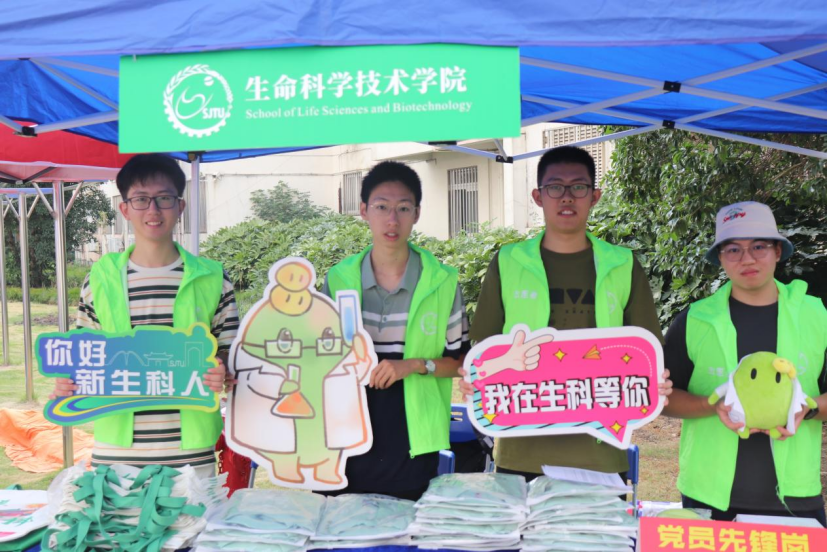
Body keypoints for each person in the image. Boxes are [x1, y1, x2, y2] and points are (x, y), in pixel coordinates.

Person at [462, 146, 671, 481]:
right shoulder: (508, 262)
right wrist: (477, 377)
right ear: (538, 197)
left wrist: (656, 380)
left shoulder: (623, 264)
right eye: (555, 187)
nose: (567, 197)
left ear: (595, 196)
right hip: (522, 447)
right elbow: (484, 348)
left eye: (579, 187)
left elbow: (647, 351)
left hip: (601, 451)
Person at [51, 154, 239, 478]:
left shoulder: (213, 278)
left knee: (195, 514)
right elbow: (84, 354)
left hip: (191, 452)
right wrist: (68, 381)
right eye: (140, 199)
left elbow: (231, 354)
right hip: (116, 450)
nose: (153, 210)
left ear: (180, 206)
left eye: (164, 198)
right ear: (125, 209)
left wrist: (221, 368)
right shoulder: (100, 279)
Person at [663, 201, 826, 525]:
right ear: (720, 257)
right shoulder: (694, 321)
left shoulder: (817, 316)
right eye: (733, 249)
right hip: (707, 494)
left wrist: (806, 409)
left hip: (796, 496)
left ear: (777, 251)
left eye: (759, 246)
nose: (747, 258)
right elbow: (665, 399)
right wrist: (712, 405)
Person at [322, 160, 470, 500]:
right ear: (363, 211)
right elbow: (320, 355)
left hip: (412, 442)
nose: (392, 220)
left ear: (417, 213)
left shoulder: (442, 281)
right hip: (344, 436)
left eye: (403, 208)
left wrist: (414, 365)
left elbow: (460, 363)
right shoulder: (338, 278)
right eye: (382, 207)